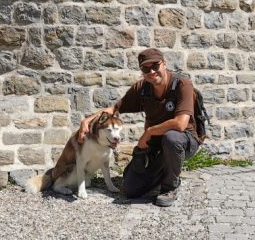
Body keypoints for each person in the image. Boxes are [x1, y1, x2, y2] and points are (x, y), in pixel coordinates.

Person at [78, 48, 200, 207]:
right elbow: (113, 108)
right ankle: (164, 172)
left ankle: (170, 186)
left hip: (184, 140)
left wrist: (149, 132)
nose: (151, 72)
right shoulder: (142, 89)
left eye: (155, 66)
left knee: (172, 138)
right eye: (145, 68)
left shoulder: (182, 84)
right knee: (131, 189)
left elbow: (180, 123)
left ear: (164, 64)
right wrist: (86, 121)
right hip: (156, 145)